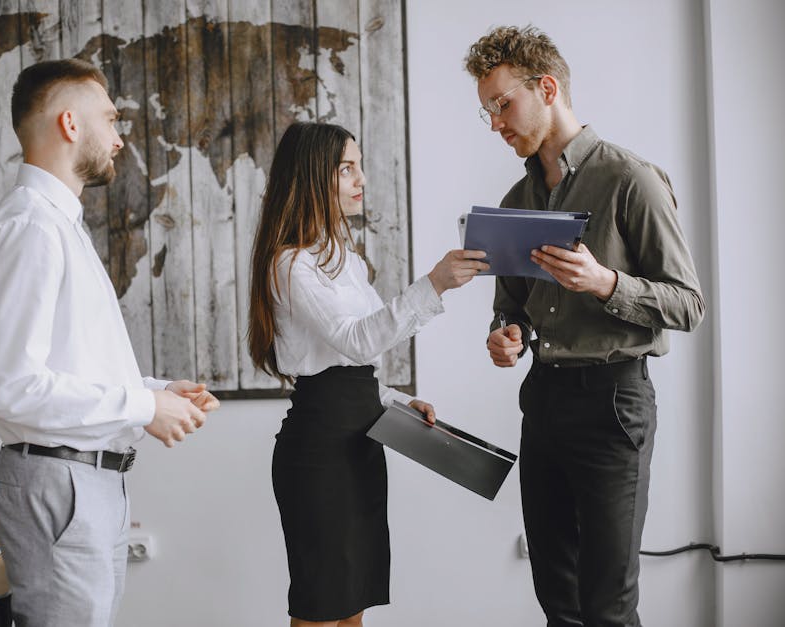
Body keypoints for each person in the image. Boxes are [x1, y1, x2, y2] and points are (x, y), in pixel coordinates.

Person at [0, 58, 220, 627]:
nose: (119, 138)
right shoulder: (31, 229)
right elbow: (14, 388)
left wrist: (156, 392)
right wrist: (144, 406)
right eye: (110, 119)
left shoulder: (54, 225)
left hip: (83, 481)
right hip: (61, 483)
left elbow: (66, 365)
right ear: (70, 123)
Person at [464, 26, 705, 626]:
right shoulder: (515, 200)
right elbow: (512, 307)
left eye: (502, 104)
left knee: (608, 605)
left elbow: (688, 305)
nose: (495, 123)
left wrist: (605, 282)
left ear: (546, 89)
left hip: (613, 405)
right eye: (487, 111)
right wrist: (506, 335)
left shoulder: (631, 180)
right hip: (543, 402)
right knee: (558, 599)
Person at [248, 121, 489, 627]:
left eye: (359, 167)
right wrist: (435, 283)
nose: (361, 179)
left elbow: (355, 363)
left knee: (354, 599)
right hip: (319, 452)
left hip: (360, 444)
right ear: (313, 176)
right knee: (321, 603)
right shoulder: (291, 264)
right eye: (347, 169)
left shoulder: (346, 261)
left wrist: (396, 402)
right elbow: (356, 340)